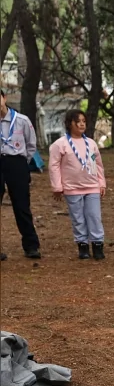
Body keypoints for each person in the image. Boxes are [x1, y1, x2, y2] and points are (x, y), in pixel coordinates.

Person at [48, 110, 106, 260]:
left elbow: (98, 165)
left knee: (94, 216)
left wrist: (101, 183)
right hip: (72, 188)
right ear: (69, 124)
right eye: (78, 121)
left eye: (84, 121)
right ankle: (82, 245)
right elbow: (54, 166)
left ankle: (97, 244)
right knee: (78, 218)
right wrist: (57, 187)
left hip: (92, 186)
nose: (81, 124)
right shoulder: (60, 144)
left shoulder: (91, 143)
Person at [0, 89, 40, 259]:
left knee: (22, 205)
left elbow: (31, 145)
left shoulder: (22, 120)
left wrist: (22, 163)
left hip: (16, 162)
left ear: (4, 98)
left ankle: (31, 246)